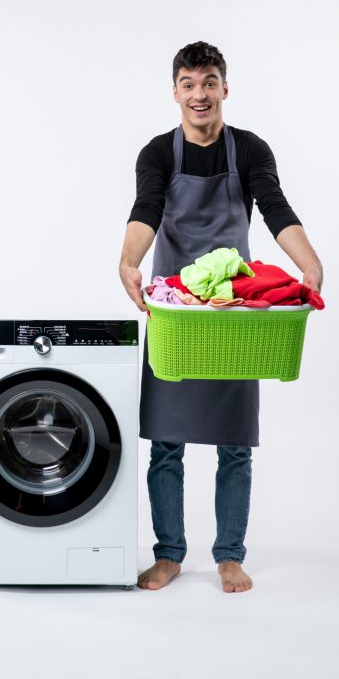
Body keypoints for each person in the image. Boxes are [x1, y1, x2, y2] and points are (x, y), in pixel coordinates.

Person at [119, 41, 323, 593]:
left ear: (225, 88)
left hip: (233, 312)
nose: (199, 94)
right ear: (175, 92)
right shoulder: (158, 154)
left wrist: (308, 263)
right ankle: (170, 554)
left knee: (235, 442)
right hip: (175, 310)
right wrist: (129, 261)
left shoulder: (250, 150)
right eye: (188, 83)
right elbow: (147, 210)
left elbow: (275, 207)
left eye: (209, 82)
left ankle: (230, 553)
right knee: (166, 441)